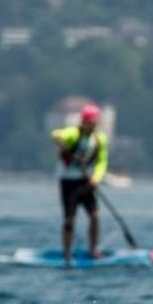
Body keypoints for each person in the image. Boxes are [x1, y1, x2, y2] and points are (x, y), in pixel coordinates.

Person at [50, 104, 109, 264]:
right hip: (68, 182)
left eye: (96, 121)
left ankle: (93, 250)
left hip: (86, 182)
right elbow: (57, 134)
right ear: (84, 122)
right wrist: (59, 138)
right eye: (91, 121)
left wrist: (96, 178)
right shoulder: (73, 133)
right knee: (70, 219)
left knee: (95, 216)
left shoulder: (99, 139)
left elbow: (102, 162)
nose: (94, 124)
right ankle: (67, 255)